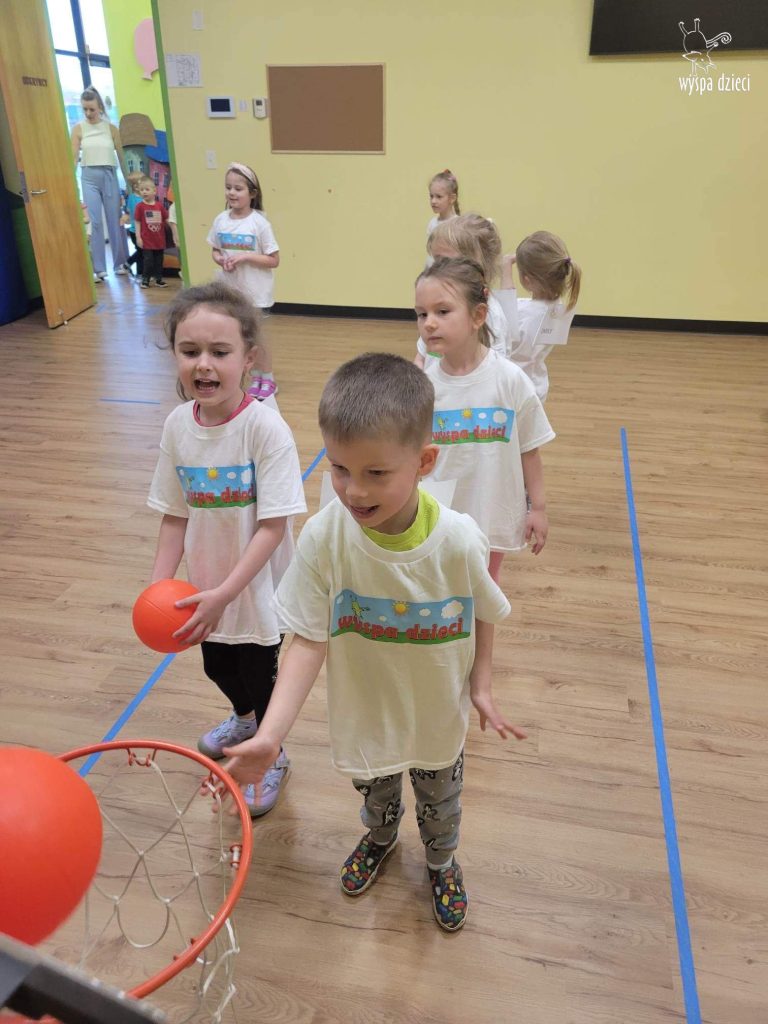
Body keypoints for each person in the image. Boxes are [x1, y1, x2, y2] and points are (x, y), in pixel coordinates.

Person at [219, 353, 525, 932]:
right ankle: (381, 839)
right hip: (365, 714)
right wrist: (270, 735)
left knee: (440, 802)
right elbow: (308, 642)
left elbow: (485, 610)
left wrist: (482, 685)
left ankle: (441, 862)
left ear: (425, 461)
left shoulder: (460, 540)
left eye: (376, 473)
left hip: (436, 714)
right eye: (339, 469)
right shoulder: (325, 536)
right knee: (376, 794)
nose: (353, 491)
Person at [146, 282, 306, 817]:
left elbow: (273, 527)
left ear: (248, 358)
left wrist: (227, 594)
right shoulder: (177, 426)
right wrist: (158, 587)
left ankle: (271, 752)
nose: (204, 364)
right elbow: (175, 514)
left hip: (257, 587)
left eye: (220, 352)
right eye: (190, 351)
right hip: (204, 586)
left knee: (260, 677)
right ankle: (243, 720)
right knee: (217, 666)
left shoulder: (266, 429)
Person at [417, 257, 555, 583]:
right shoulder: (424, 387)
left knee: (484, 592)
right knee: (444, 591)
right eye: (421, 314)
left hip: (493, 515)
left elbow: (530, 450)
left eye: (442, 311)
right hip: (441, 519)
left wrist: (538, 508)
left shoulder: (510, 380)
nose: (429, 323)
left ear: (478, 316)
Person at [207, 163, 280, 401]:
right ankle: (254, 377)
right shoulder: (220, 220)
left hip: (255, 292)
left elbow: (273, 260)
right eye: (228, 187)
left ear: (252, 193)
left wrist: (245, 257)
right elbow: (215, 250)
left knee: (257, 337)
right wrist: (221, 260)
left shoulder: (259, 223)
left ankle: (267, 378)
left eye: (238, 188)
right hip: (231, 290)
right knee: (240, 337)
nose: (232, 192)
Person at [415, 213, 509, 369]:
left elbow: (496, 372)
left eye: (444, 261)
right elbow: (423, 357)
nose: (436, 268)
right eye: (435, 260)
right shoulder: (434, 306)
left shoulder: (491, 316)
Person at [500, 231, 581, 402]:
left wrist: (506, 266)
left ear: (527, 280)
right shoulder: (560, 307)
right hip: (538, 384)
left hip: (514, 388)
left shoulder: (522, 313)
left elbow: (506, 306)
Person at [70, 87, 130, 282]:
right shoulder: (78, 129)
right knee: (94, 222)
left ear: (100, 108)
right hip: (88, 177)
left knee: (115, 218)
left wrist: (129, 183)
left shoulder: (111, 129)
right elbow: (73, 158)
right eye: (85, 109)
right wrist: (71, 184)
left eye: (92, 109)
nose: (88, 113)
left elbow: (122, 157)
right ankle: (99, 268)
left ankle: (120, 263)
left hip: (109, 175)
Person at [134, 176, 169, 288]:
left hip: (159, 240)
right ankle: (145, 280)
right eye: (142, 190)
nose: (144, 192)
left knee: (159, 261)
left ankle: (158, 279)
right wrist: (138, 237)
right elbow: (137, 222)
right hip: (147, 240)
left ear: (154, 191)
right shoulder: (140, 207)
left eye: (147, 189)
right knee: (148, 261)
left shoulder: (159, 206)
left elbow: (166, 219)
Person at [426, 168, 460, 249]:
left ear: (452, 198)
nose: (433, 201)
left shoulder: (458, 225)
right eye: (431, 196)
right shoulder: (432, 223)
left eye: (439, 197)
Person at [121, 171, 144, 277]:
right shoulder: (133, 198)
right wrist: (125, 218)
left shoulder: (143, 198)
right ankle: (128, 264)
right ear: (135, 186)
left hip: (143, 230)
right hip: (135, 231)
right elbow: (130, 212)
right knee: (141, 251)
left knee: (141, 251)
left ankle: (140, 273)